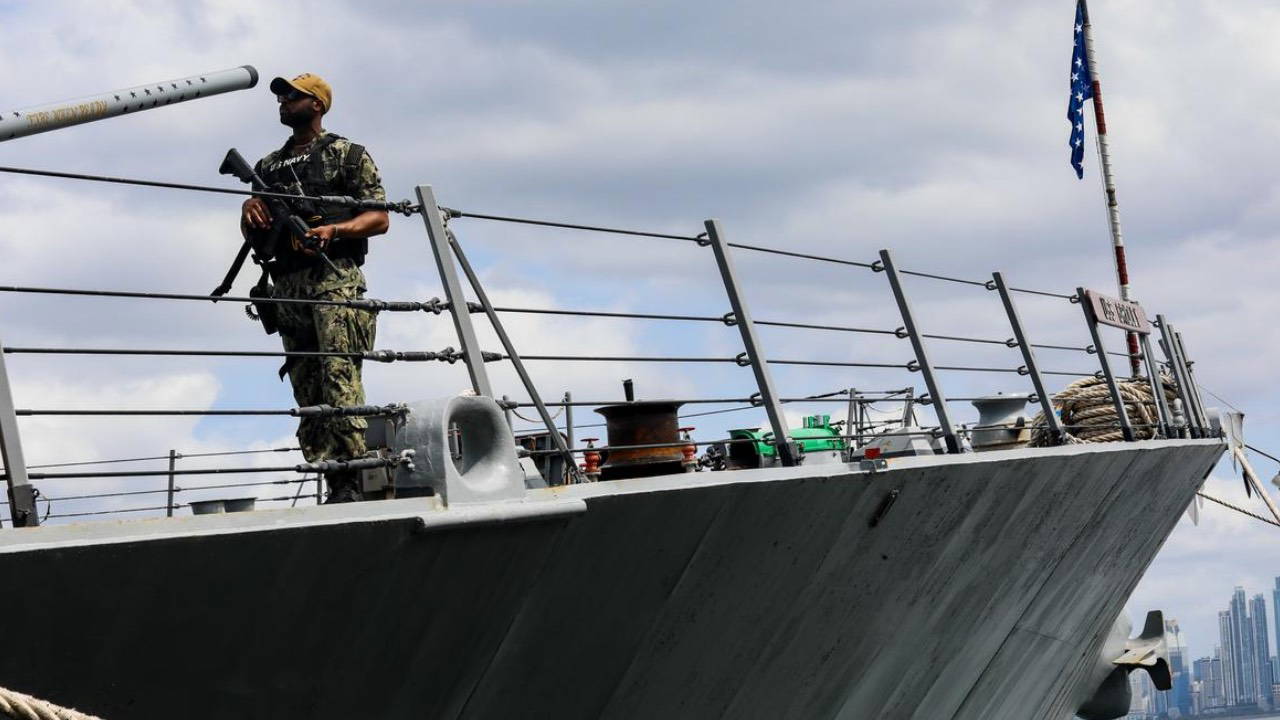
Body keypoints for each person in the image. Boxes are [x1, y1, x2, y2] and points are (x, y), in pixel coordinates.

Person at [240, 73, 389, 503]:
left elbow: (379, 218)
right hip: (288, 285)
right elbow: (255, 235)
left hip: (333, 279)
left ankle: (351, 476)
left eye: (293, 96)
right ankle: (328, 475)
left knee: (339, 375)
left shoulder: (347, 155)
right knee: (305, 383)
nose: (283, 102)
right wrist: (250, 208)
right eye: (281, 97)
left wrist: (334, 230)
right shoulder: (267, 167)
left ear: (317, 104)